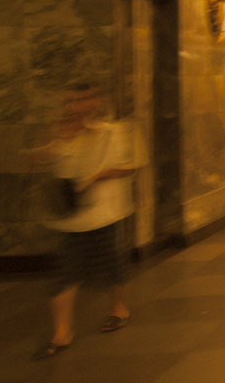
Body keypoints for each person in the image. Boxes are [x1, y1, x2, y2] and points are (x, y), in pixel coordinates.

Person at [28, 82, 143, 359]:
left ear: (96, 101)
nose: (74, 107)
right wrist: (56, 133)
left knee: (114, 264)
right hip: (71, 217)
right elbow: (37, 160)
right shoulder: (62, 133)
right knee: (66, 272)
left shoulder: (114, 130)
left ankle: (119, 309)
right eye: (70, 102)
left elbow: (132, 164)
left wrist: (95, 177)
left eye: (81, 100)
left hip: (106, 212)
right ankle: (62, 333)